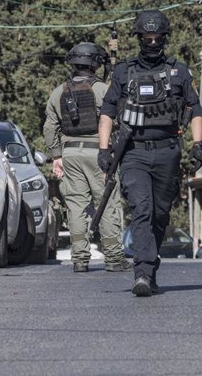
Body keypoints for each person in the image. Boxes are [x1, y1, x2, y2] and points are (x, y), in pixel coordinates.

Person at [98, 10, 202, 297]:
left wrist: (197, 144)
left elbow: (195, 110)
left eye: (157, 37)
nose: (153, 42)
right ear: (139, 38)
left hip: (168, 151)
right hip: (133, 153)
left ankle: (150, 268)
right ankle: (142, 272)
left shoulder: (179, 71)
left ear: (165, 38)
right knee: (142, 210)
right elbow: (108, 111)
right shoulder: (122, 71)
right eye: (147, 37)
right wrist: (104, 148)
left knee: (160, 214)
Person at [43, 42, 131, 273]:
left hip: (70, 153)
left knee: (75, 206)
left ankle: (80, 259)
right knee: (107, 203)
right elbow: (118, 119)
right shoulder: (102, 89)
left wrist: (56, 155)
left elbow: (50, 127)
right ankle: (113, 258)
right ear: (95, 64)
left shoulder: (58, 92)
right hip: (98, 152)